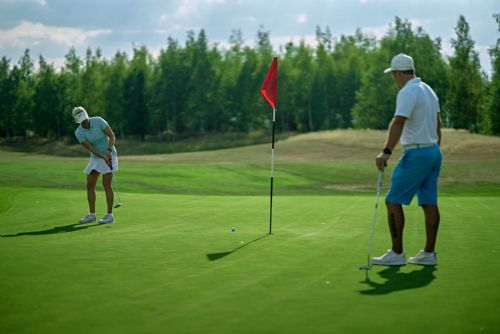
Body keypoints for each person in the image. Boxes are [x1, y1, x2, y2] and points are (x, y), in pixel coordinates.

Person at [372, 53, 442, 266]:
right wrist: (434, 149)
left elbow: (398, 122)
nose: (394, 79)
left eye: (394, 75)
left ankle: (397, 253)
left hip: (417, 154)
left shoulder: (407, 91)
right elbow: (438, 124)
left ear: (398, 73)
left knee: (392, 201)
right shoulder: (428, 90)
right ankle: (429, 254)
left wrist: (386, 151)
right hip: (433, 151)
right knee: (429, 202)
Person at [72, 106, 118, 224]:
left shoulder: (98, 121)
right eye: (83, 121)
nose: (85, 122)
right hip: (96, 157)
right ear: (78, 121)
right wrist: (102, 157)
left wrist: (108, 151)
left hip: (110, 154)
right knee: (90, 184)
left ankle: (109, 215)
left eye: (86, 119)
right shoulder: (78, 132)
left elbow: (112, 136)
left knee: (106, 185)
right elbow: (90, 148)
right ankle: (92, 215)